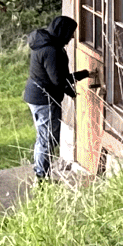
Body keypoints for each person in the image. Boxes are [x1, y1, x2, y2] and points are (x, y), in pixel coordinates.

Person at [24, 16, 87, 180]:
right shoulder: (50, 50)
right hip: (44, 99)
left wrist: (69, 91)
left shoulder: (45, 44)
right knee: (47, 139)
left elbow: (56, 78)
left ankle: (41, 171)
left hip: (37, 96)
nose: (72, 37)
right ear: (63, 32)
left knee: (44, 137)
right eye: (71, 33)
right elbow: (58, 80)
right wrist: (84, 74)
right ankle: (41, 177)